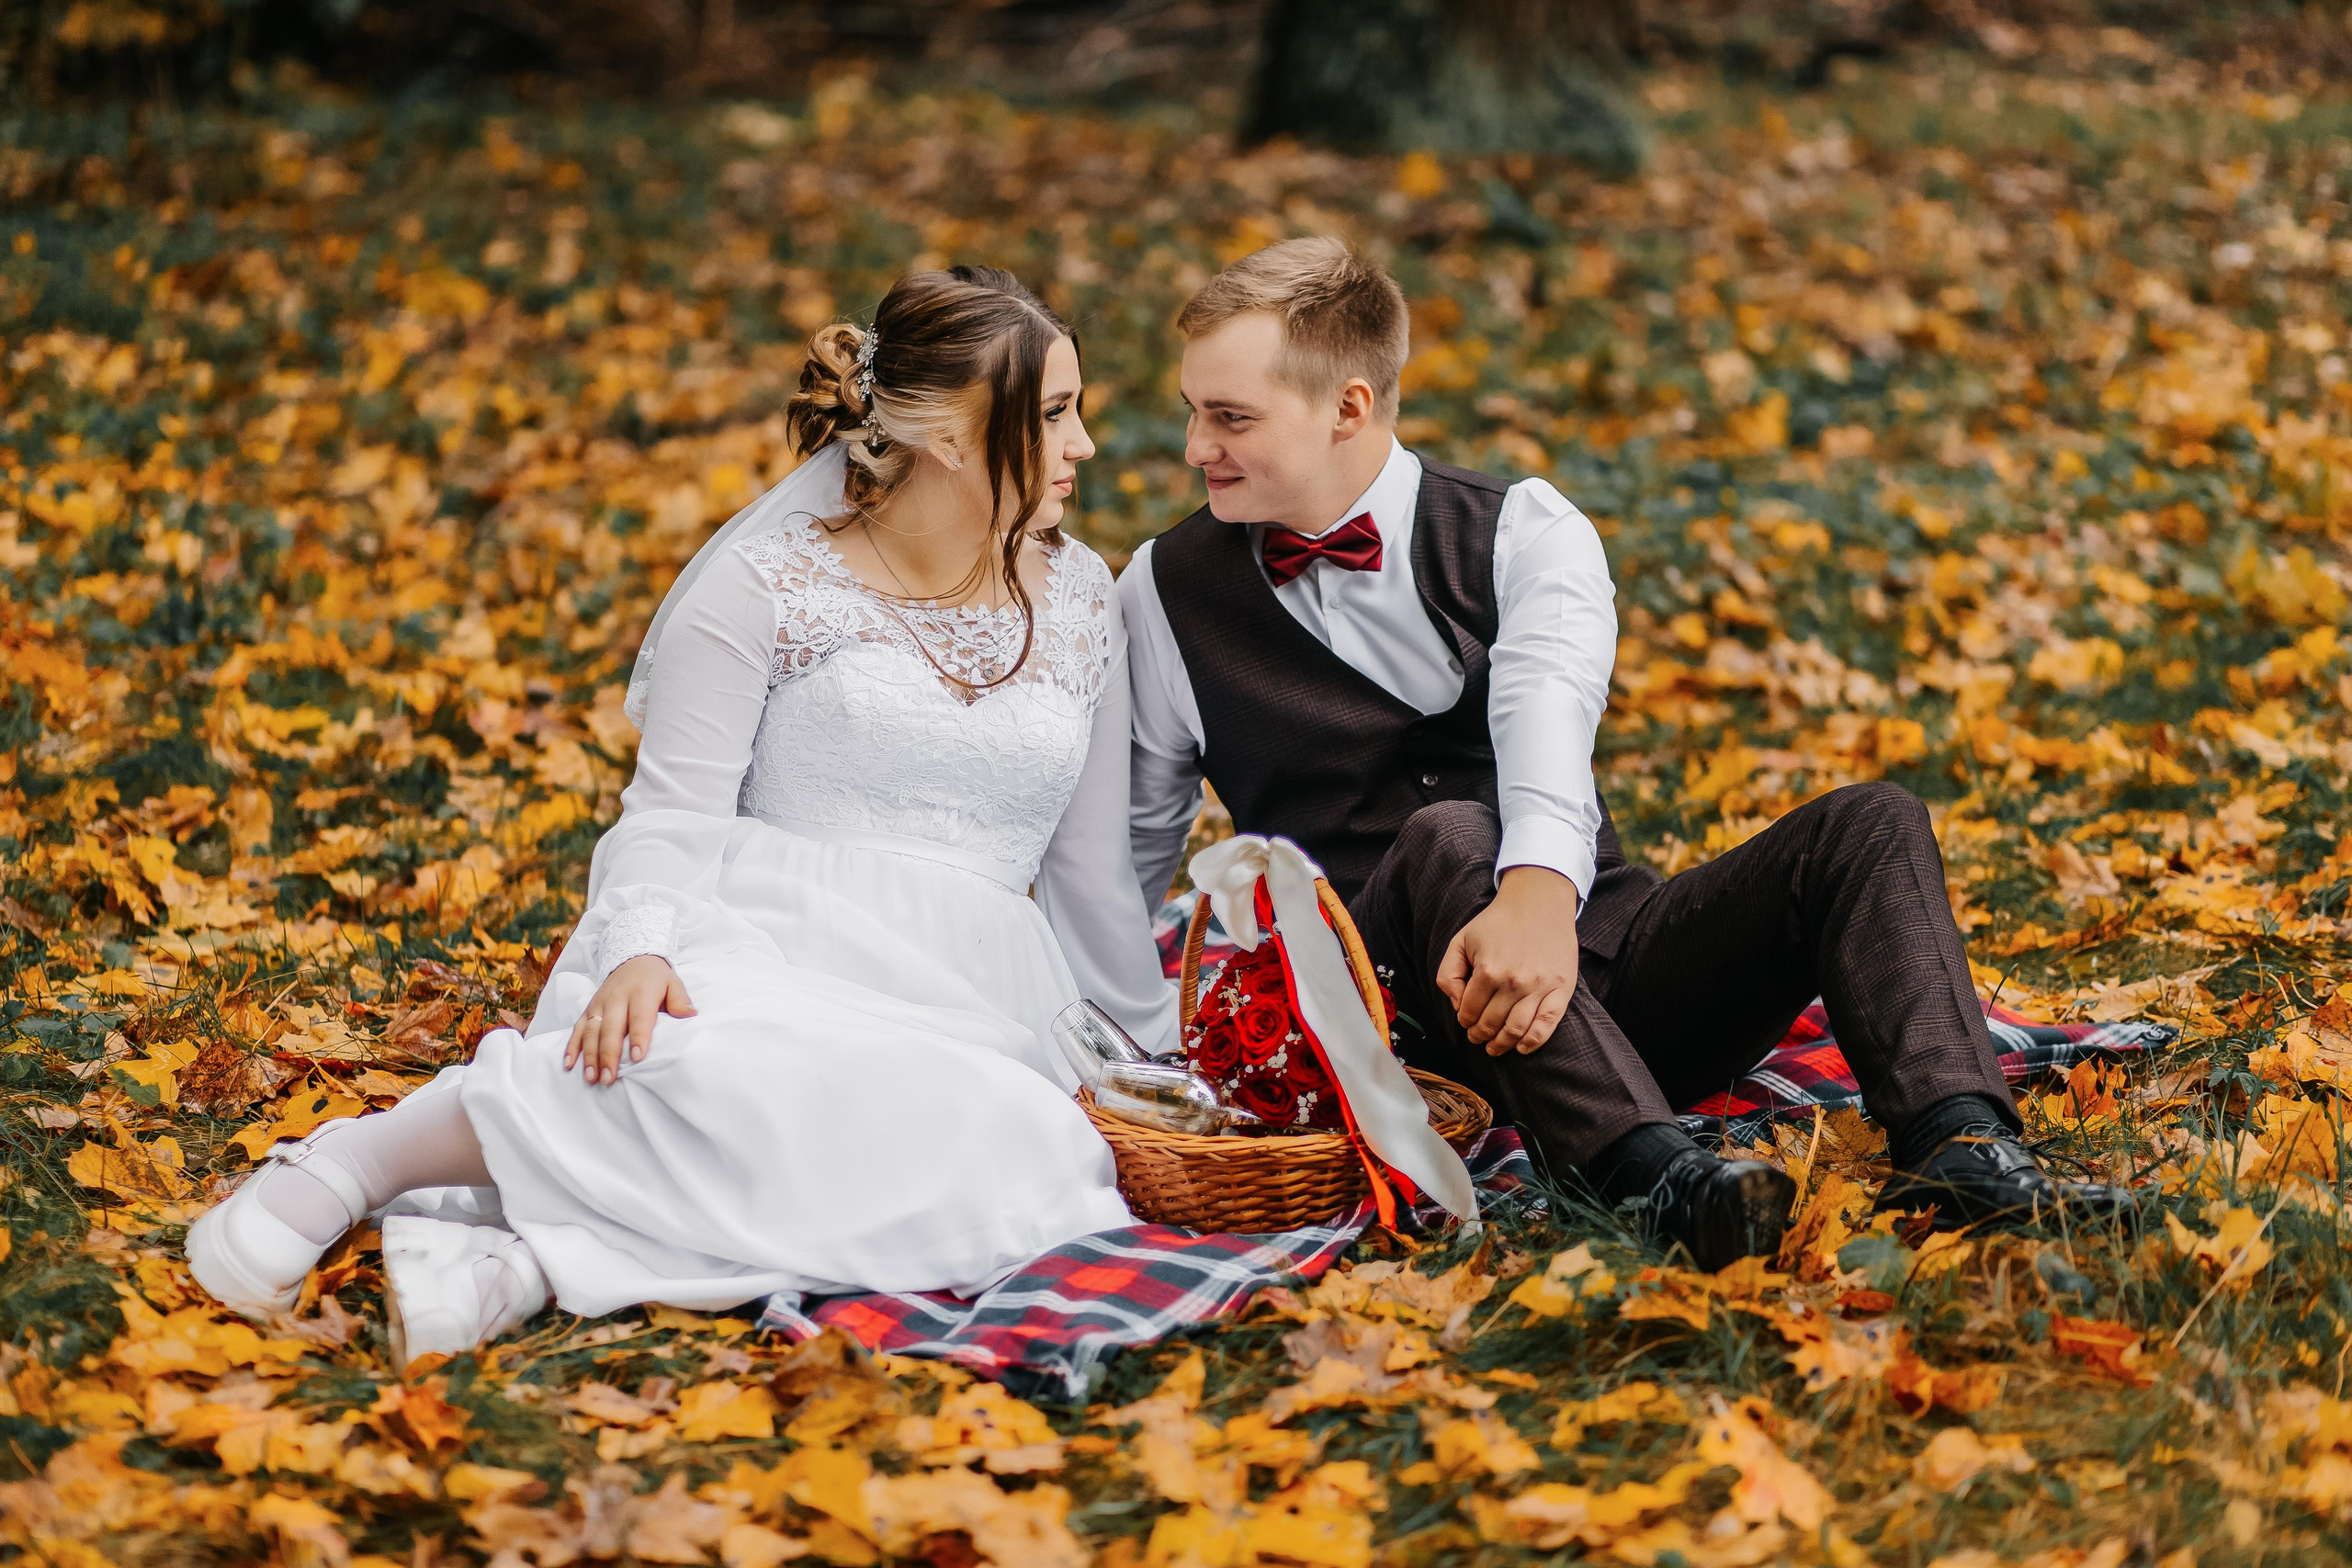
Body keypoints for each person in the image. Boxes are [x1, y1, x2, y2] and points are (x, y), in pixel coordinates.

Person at [189, 266, 1176, 1360]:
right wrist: (643, 944)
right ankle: (354, 1163)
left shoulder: (1085, 599)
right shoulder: (766, 584)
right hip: (766, 927)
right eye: (1053, 414)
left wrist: (1158, 1058)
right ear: (948, 433)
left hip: (979, 981)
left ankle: (539, 1262)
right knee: (715, 1069)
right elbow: (672, 804)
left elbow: (1091, 868)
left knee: (1025, 1163)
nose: (1085, 442)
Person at [1120, 237, 2135, 1270]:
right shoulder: (1162, 591)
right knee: (1447, 834)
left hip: (1603, 961)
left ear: (1347, 407)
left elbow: (1545, 723)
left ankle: (1963, 1151)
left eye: (1229, 417)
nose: (1197, 447)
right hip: (1397, 1020)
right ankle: (1651, 1179)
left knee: (1868, 823)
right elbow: (1131, 852)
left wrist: (1539, 900)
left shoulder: (1520, 530)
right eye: (1195, 412)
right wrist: (1117, 1062)